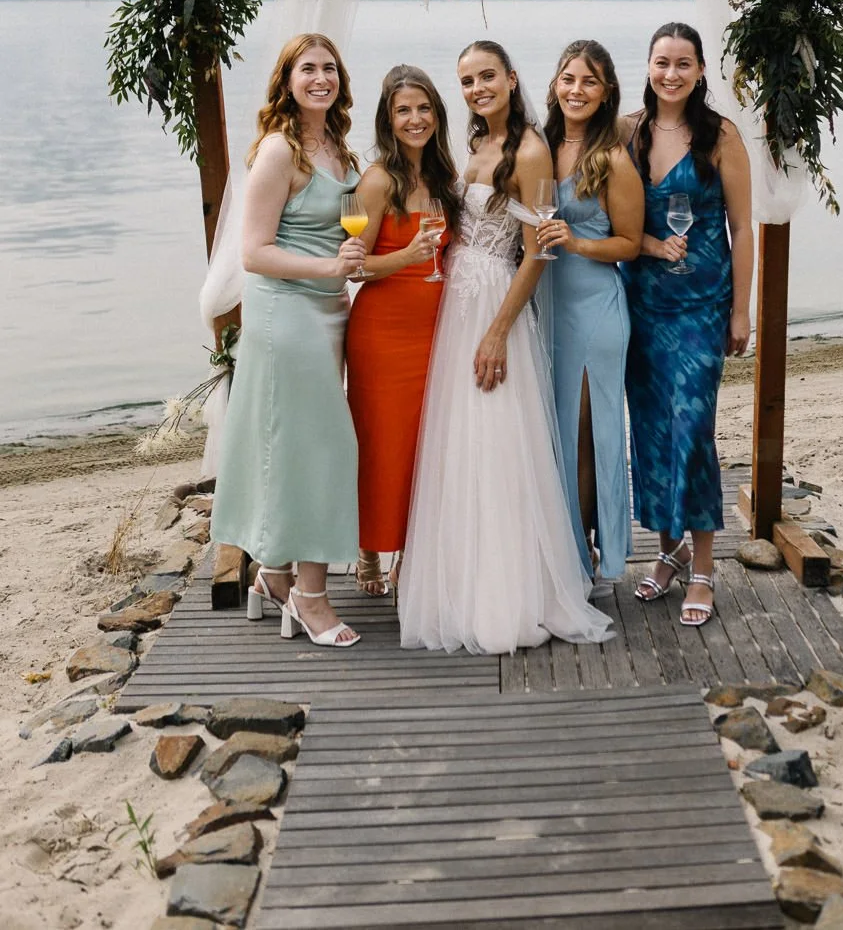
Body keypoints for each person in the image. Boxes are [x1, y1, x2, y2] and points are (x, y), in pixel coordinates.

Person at [398, 40, 614, 655]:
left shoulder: (530, 148)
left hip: (497, 302)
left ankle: (510, 592)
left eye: (486, 76)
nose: (476, 89)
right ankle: (459, 583)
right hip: (457, 304)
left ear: (513, 78)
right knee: (458, 442)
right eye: (466, 80)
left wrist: (497, 331)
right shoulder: (474, 146)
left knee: (497, 441)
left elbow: (539, 249)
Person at [210, 33, 367, 649]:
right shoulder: (278, 150)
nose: (321, 78)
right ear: (287, 79)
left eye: (330, 68)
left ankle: (271, 575)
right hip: (287, 316)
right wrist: (331, 268)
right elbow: (253, 253)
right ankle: (309, 594)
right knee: (325, 448)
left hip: (330, 312)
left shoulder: (336, 147)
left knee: (304, 443)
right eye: (308, 69)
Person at [620, 21, 752, 626]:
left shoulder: (720, 136)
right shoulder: (630, 132)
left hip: (702, 302)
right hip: (641, 302)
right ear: (647, 66)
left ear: (701, 71)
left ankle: (704, 566)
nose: (670, 73)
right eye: (661, 62)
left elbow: (743, 228)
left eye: (683, 63)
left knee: (693, 426)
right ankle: (666, 552)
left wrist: (742, 308)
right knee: (649, 432)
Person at [345, 65, 460, 598]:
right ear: (388, 121)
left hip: (436, 329)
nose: (415, 119)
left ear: (436, 114)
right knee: (379, 444)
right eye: (403, 110)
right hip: (382, 333)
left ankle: (409, 555)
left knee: (422, 446)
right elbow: (353, 266)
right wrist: (406, 259)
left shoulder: (443, 176)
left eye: (424, 108)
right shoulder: (377, 180)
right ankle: (369, 550)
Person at [536, 40, 644, 584]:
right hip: (547, 309)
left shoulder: (612, 159)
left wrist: (575, 243)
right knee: (551, 432)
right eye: (568, 78)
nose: (576, 90)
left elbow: (628, 242)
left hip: (595, 308)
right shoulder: (539, 144)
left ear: (606, 94)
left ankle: (585, 561)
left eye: (589, 82)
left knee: (586, 435)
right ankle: (563, 551)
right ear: (554, 84)